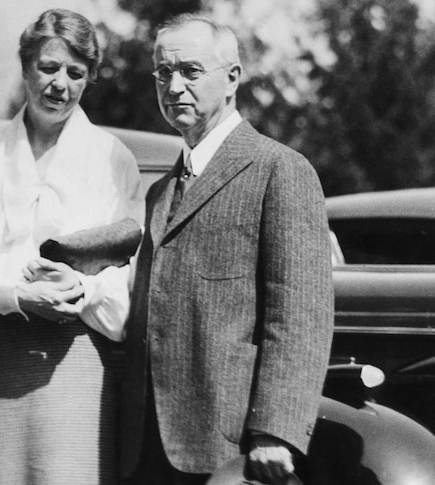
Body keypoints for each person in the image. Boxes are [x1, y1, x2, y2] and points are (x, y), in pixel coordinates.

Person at [39, 13, 334, 485]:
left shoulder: (280, 170)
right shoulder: (160, 192)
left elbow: (300, 317)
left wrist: (276, 430)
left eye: (191, 71)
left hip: (231, 447)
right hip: (147, 448)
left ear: (232, 78)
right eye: (163, 72)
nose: (174, 86)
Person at [0, 9, 144, 484]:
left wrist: (83, 290)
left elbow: (131, 282)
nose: (60, 85)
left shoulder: (114, 159)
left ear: (90, 78)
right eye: (49, 68)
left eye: (76, 73)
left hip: (81, 366)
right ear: (26, 66)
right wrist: (14, 295)